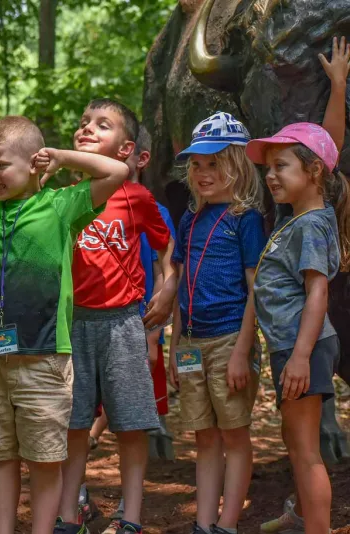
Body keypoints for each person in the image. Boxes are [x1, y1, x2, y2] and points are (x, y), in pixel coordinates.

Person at [0, 115, 130, 534]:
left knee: (45, 457)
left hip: (43, 356)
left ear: (34, 163)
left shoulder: (61, 205)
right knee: (1, 455)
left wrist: (60, 157)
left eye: (0, 166)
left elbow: (118, 171)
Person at [54, 100, 177, 534]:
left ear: (126, 150)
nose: (86, 129)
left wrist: (167, 290)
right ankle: (68, 514)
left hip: (123, 323)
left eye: (101, 126)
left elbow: (166, 251)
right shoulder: (63, 199)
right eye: (83, 122)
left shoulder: (135, 196)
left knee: (130, 423)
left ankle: (130, 518)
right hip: (73, 326)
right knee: (74, 423)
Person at [249, 36, 350, 534]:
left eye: (280, 167)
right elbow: (328, 145)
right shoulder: (305, 210)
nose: (271, 176)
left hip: (302, 344)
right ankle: (305, 518)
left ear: (311, 173)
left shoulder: (310, 224)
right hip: (293, 344)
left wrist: (302, 355)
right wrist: (337, 87)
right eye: (268, 168)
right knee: (295, 441)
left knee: (307, 451)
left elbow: (318, 293)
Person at [168, 111, 266, 534]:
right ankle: (203, 524)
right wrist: (174, 345)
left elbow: (256, 290)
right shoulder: (190, 218)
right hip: (190, 341)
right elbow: (182, 281)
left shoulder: (246, 220)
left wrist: (243, 351)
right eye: (197, 164)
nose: (203, 172)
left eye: (215, 163)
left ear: (239, 165)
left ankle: (227, 524)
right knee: (203, 437)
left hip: (230, 339)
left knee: (234, 434)